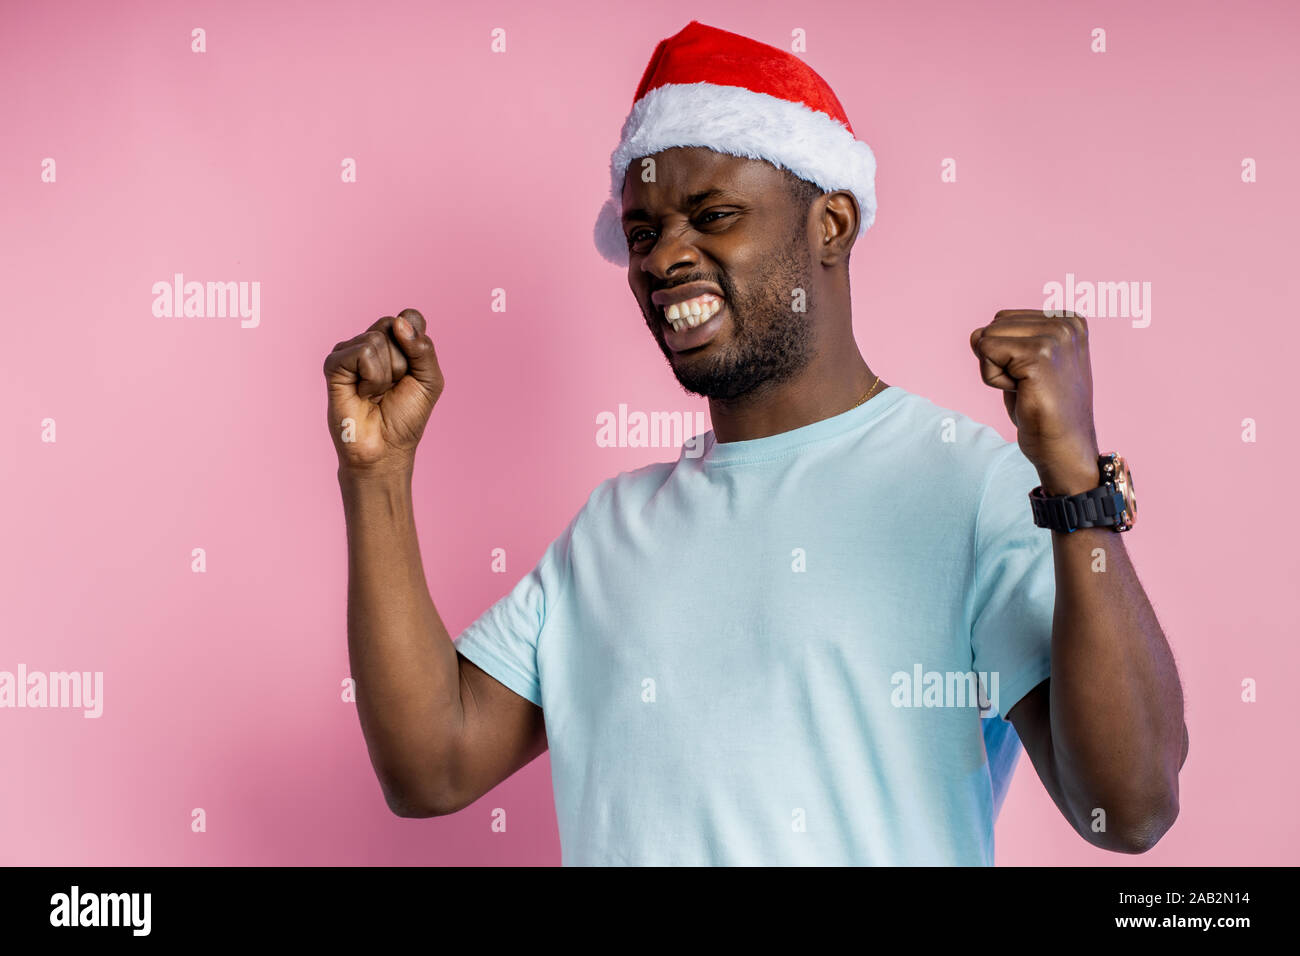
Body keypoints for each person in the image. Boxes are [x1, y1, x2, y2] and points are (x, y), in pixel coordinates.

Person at [322, 20, 1188, 865]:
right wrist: (376, 473)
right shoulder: (611, 529)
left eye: (714, 214)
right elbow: (430, 766)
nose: (665, 258)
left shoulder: (972, 488)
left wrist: (1076, 482)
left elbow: (1131, 808)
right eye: (643, 232)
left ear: (832, 226)